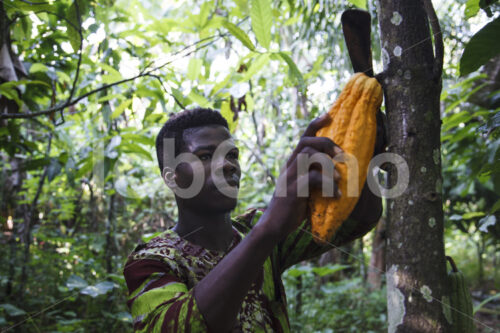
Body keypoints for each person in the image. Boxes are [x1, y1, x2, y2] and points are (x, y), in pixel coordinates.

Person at [123, 107, 382, 332]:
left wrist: (368, 150)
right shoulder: (150, 262)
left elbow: (358, 220)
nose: (228, 165)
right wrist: (268, 228)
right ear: (172, 178)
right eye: (204, 156)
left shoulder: (254, 230)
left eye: (232, 155)